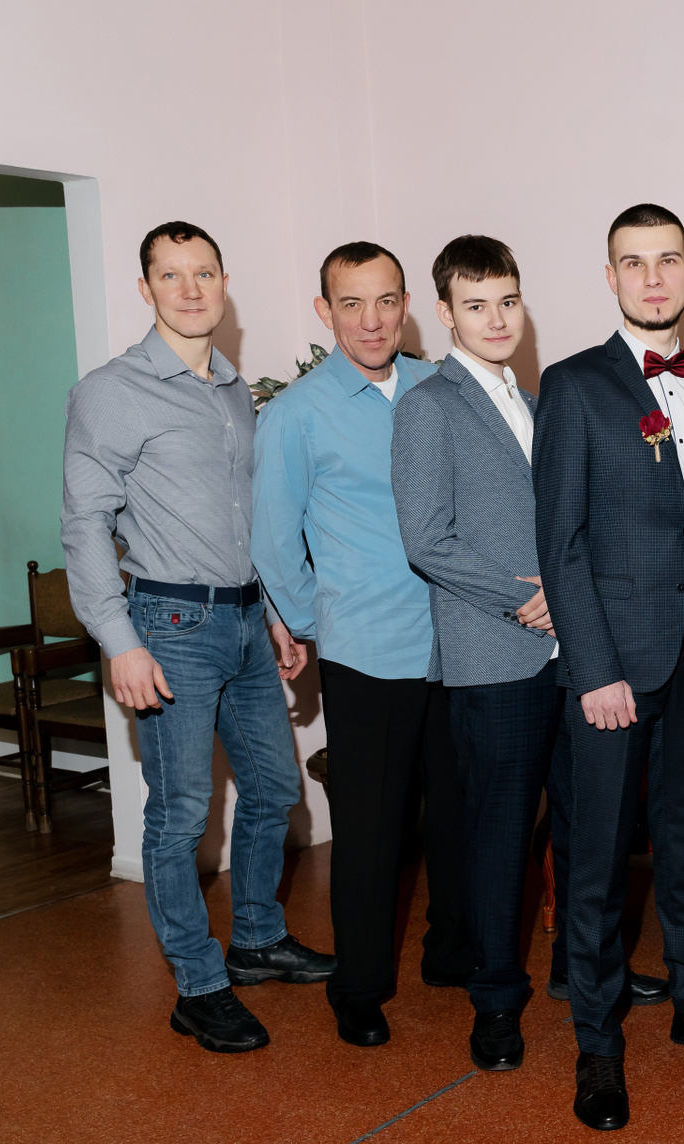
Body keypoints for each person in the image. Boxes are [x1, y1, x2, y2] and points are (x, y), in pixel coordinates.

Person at [61, 221, 333, 1055]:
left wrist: (277, 611)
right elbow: (84, 523)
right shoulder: (112, 391)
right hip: (168, 625)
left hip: (247, 618)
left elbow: (252, 518)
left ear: (223, 284)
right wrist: (120, 641)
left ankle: (256, 939)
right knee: (180, 816)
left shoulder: (233, 390)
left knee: (274, 789)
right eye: (171, 275)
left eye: (204, 273)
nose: (189, 290)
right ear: (145, 289)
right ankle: (198, 983)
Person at [533, 203, 684, 1132]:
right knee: (597, 863)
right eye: (634, 263)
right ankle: (598, 1044)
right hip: (610, 673)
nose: (654, 277)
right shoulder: (573, 385)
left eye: (668, 260)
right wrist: (593, 670)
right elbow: (560, 542)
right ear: (611, 277)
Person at [252, 241, 468, 1049]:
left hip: (457, 643)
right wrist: (317, 619)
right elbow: (273, 539)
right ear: (325, 311)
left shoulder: (438, 386)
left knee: (459, 815)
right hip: (369, 651)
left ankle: (451, 953)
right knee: (373, 833)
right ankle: (361, 987)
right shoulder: (297, 413)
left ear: (407, 304)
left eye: (385, 301)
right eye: (351, 303)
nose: (371, 320)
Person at [389, 233, 579, 1072]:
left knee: (582, 824)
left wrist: (569, 599)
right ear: (445, 313)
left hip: (569, 657)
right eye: (476, 306)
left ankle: (579, 967)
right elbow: (426, 540)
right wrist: (522, 597)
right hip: (493, 656)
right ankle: (496, 1000)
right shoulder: (428, 406)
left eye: (507, 301)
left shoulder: (536, 403)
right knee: (500, 837)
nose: (496, 319)